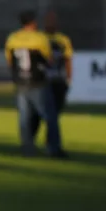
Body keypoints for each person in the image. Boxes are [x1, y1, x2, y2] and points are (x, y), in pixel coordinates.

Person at [5, 10, 66, 158]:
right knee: (50, 116)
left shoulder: (12, 38)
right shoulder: (39, 38)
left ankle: (27, 148)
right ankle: (54, 148)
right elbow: (49, 60)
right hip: (38, 82)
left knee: (24, 117)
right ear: (33, 23)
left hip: (20, 82)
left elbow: (9, 60)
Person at [28, 10, 73, 144]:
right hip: (41, 81)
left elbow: (67, 59)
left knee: (54, 114)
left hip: (58, 81)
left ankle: (50, 141)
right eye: (49, 21)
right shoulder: (39, 38)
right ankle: (30, 140)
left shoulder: (63, 40)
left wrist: (68, 79)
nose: (51, 23)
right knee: (36, 113)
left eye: (53, 21)